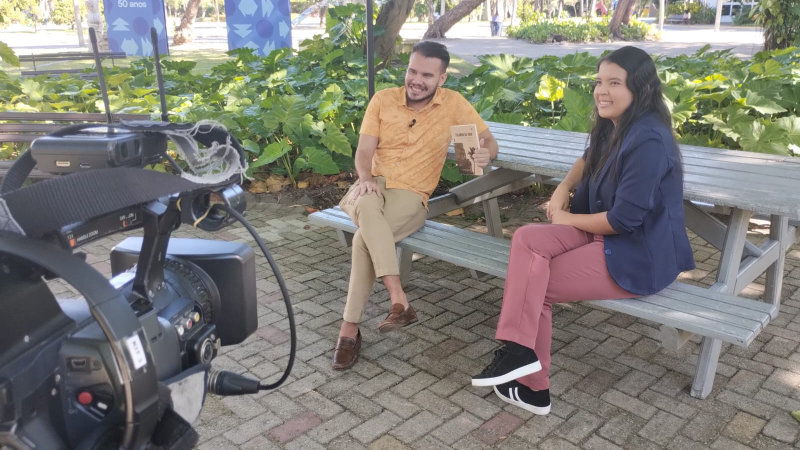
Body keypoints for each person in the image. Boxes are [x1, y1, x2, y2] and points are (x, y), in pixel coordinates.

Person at [470, 46, 695, 414]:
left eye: (614, 83)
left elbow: (623, 221)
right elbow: (589, 156)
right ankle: (520, 351)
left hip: (636, 253)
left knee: (534, 283)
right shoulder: (619, 122)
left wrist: (565, 218)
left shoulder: (650, 140)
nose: (601, 91)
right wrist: (562, 188)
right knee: (527, 238)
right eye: (599, 81)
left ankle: (533, 388)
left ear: (639, 88)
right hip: (602, 232)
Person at [331, 41, 499, 370]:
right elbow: (364, 152)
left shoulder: (454, 105)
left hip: (411, 196)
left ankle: (350, 331)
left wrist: (485, 153)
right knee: (366, 205)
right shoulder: (383, 100)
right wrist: (365, 177)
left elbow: (487, 140)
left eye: (426, 74)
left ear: (442, 78)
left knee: (364, 238)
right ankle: (398, 298)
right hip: (371, 183)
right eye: (411, 71)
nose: (416, 80)